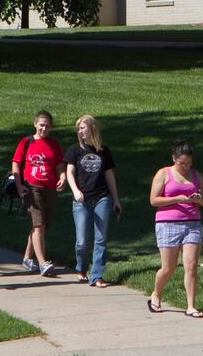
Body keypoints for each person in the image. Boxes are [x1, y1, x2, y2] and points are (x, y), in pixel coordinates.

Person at [148, 140, 203, 318]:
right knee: (169, 267)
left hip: (193, 224)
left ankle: (191, 306)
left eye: (188, 163)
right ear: (174, 158)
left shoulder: (196, 175)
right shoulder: (164, 173)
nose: (185, 167)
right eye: (181, 163)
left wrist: (199, 198)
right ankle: (156, 293)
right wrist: (177, 199)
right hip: (167, 223)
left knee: (191, 266)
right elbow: (154, 200)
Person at [65, 115, 122, 288]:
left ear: (92, 128)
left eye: (83, 127)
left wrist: (116, 200)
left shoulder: (103, 151)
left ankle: (97, 276)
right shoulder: (74, 150)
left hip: (102, 198)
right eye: (78, 128)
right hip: (81, 200)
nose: (80, 131)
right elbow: (69, 173)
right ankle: (81, 268)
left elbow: (109, 176)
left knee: (100, 239)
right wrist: (75, 191)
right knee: (82, 241)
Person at [11, 110, 66, 277]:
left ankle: (27, 258)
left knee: (40, 226)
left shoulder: (54, 144)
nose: (44, 128)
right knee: (38, 224)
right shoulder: (26, 142)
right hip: (31, 187)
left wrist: (62, 176)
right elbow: (15, 164)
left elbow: (59, 165)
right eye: (41, 125)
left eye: (47, 126)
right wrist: (19, 186)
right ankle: (43, 263)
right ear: (35, 124)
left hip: (49, 188)